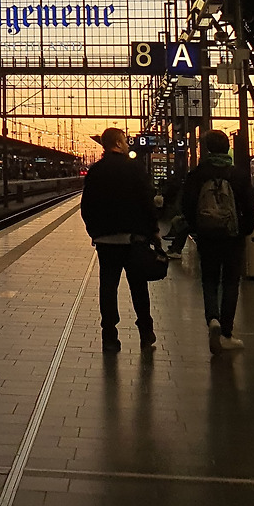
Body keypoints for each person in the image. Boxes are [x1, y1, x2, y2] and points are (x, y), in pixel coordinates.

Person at [80, 126, 159, 352]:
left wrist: (95, 232)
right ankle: (146, 332)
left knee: (108, 287)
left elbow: (86, 207)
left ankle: (109, 336)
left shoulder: (96, 171)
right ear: (117, 143)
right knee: (138, 286)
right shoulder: (135, 168)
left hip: (106, 241)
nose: (126, 144)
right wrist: (153, 231)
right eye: (124, 141)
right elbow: (147, 201)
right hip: (134, 239)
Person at [182, 129, 254, 354]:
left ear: (207, 149)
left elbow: (186, 206)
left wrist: (197, 229)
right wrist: (241, 231)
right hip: (232, 238)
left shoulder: (197, 174)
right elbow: (251, 211)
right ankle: (226, 332)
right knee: (230, 282)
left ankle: (212, 319)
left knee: (209, 280)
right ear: (227, 148)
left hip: (207, 238)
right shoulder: (238, 175)